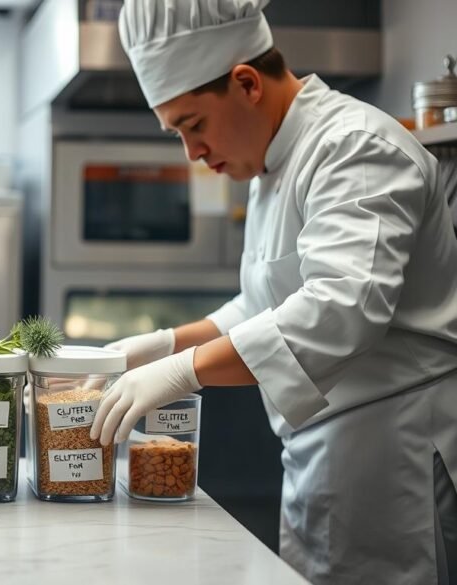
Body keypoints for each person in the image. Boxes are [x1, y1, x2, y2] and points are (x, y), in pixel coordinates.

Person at [87, 1, 457, 583]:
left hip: (398, 460)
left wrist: (184, 371)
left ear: (246, 84)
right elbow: (263, 308)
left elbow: (339, 310)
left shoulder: (358, 148)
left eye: (193, 125)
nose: (193, 154)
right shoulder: (270, 165)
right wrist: (157, 347)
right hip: (320, 463)